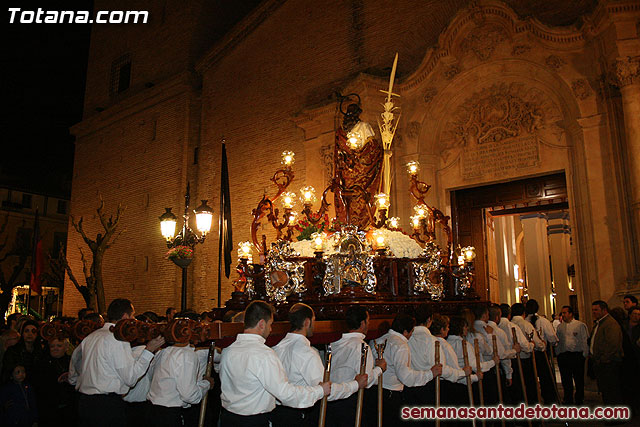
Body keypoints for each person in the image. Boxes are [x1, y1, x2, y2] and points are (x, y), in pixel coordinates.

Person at [219, 300, 331, 426]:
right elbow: (285, 393)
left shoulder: (228, 351)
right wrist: (319, 390)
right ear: (262, 324)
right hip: (253, 422)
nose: (271, 329)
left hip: (227, 419)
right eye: (270, 324)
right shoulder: (265, 354)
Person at [69, 298, 165, 427]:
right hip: (105, 405)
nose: (134, 320)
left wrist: (75, 380)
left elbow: (76, 361)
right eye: (133, 316)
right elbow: (130, 378)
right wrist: (148, 351)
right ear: (125, 317)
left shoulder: (92, 336)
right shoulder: (118, 339)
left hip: (84, 401)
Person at [271, 303, 367, 426]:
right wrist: (355, 384)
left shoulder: (277, 348)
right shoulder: (306, 352)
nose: (314, 325)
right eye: (314, 320)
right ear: (307, 322)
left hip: (278, 414)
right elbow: (327, 390)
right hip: (299, 415)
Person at [371, 313, 441, 426]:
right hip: (390, 396)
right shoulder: (400, 345)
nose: (411, 334)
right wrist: (430, 373)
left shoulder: (376, 341)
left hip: (373, 393)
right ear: (405, 331)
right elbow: (405, 377)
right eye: (411, 331)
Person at [327, 306, 386, 427]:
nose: (369, 324)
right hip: (349, 400)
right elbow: (366, 380)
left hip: (332, 399)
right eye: (368, 320)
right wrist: (380, 369)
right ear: (362, 323)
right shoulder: (362, 347)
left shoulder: (335, 345)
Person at [146, 331, 215, 427]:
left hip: (153, 411)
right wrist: (206, 384)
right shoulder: (187, 355)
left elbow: (150, 376)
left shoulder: (162, 351)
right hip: (169, 414)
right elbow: (189, 395)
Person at [590, 300, 623, 405]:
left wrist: (603, 359)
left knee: (611, 391)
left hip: (609, 363)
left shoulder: (610, 324)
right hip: (602, 362)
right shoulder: (599, 323)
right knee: (606, 391)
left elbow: (613, 344)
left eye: (596, 310)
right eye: (592, 310)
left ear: (604, 310)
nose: (593, 312)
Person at [525, 299, 558, 403]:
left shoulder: (524, 321)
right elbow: (552, 337)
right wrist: (552, 343)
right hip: (541, 353)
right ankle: (549, 399)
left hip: (529, 353)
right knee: (546, 378)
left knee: (531, 378)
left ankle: (533, 400)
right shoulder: (544, 321)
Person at [511, 303, 544, 404]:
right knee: (529, 385)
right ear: (523, 313)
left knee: (517, 386)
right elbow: (536, 342)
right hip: (525, 359)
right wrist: (540, 345)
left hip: (512, 360)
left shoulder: (509, 324)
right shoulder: (526, 324)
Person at [555, 305, 588, 405]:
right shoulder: (560, 327)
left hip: (576, 355)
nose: (563, 315)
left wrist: (584, 354)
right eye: (562, 313)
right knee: (566, 379)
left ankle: (579, 398)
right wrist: (558, 354)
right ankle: (568, 398)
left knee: (578, 379)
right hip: (564, 355)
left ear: (570, 314)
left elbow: (584, 340)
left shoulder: (579, 325)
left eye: (565, 313)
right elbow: (558, 341)